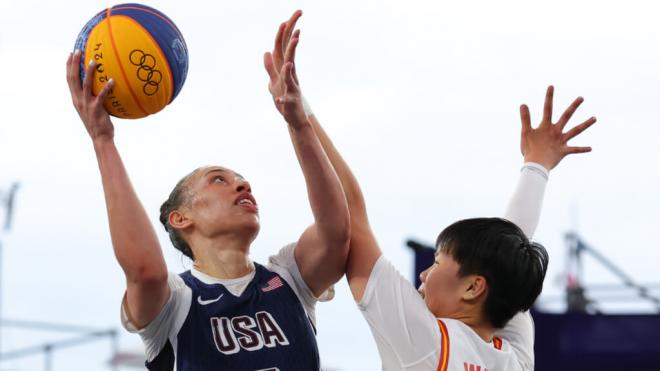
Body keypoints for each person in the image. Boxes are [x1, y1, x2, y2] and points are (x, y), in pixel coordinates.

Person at [267, 21, 595, 369]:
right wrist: (536, 165)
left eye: (438, 263)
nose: (424, 274)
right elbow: (508, 251)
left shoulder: (425, 342)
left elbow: (351, 213)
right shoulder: (514, 355)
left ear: (472, 288)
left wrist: (300, 116)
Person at [65, 10, 349, 370]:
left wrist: (298, 122)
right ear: (181, 218)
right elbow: (145, 271)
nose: (242, 185)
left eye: (240, 179)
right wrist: (103, 140)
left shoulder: (289, 279)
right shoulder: (176, 303)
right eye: (219, 179)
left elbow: (337, 230)